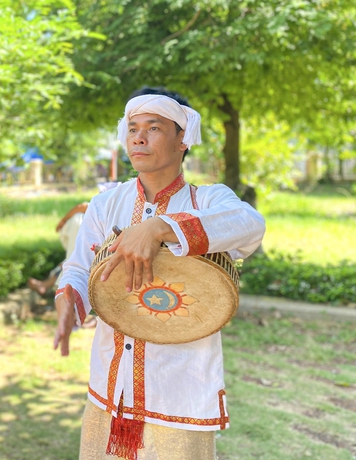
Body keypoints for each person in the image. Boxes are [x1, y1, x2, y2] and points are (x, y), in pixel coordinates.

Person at [53, 87, 265, 460]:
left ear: (183, 139)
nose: (138, 137)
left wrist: (159, 228)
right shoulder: (107, 202)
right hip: (110, 387)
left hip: (180, 391)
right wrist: (68, 296)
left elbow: (250, 224)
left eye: (154, 127)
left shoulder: (209, 200)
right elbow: (77, 266)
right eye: (133, 127)